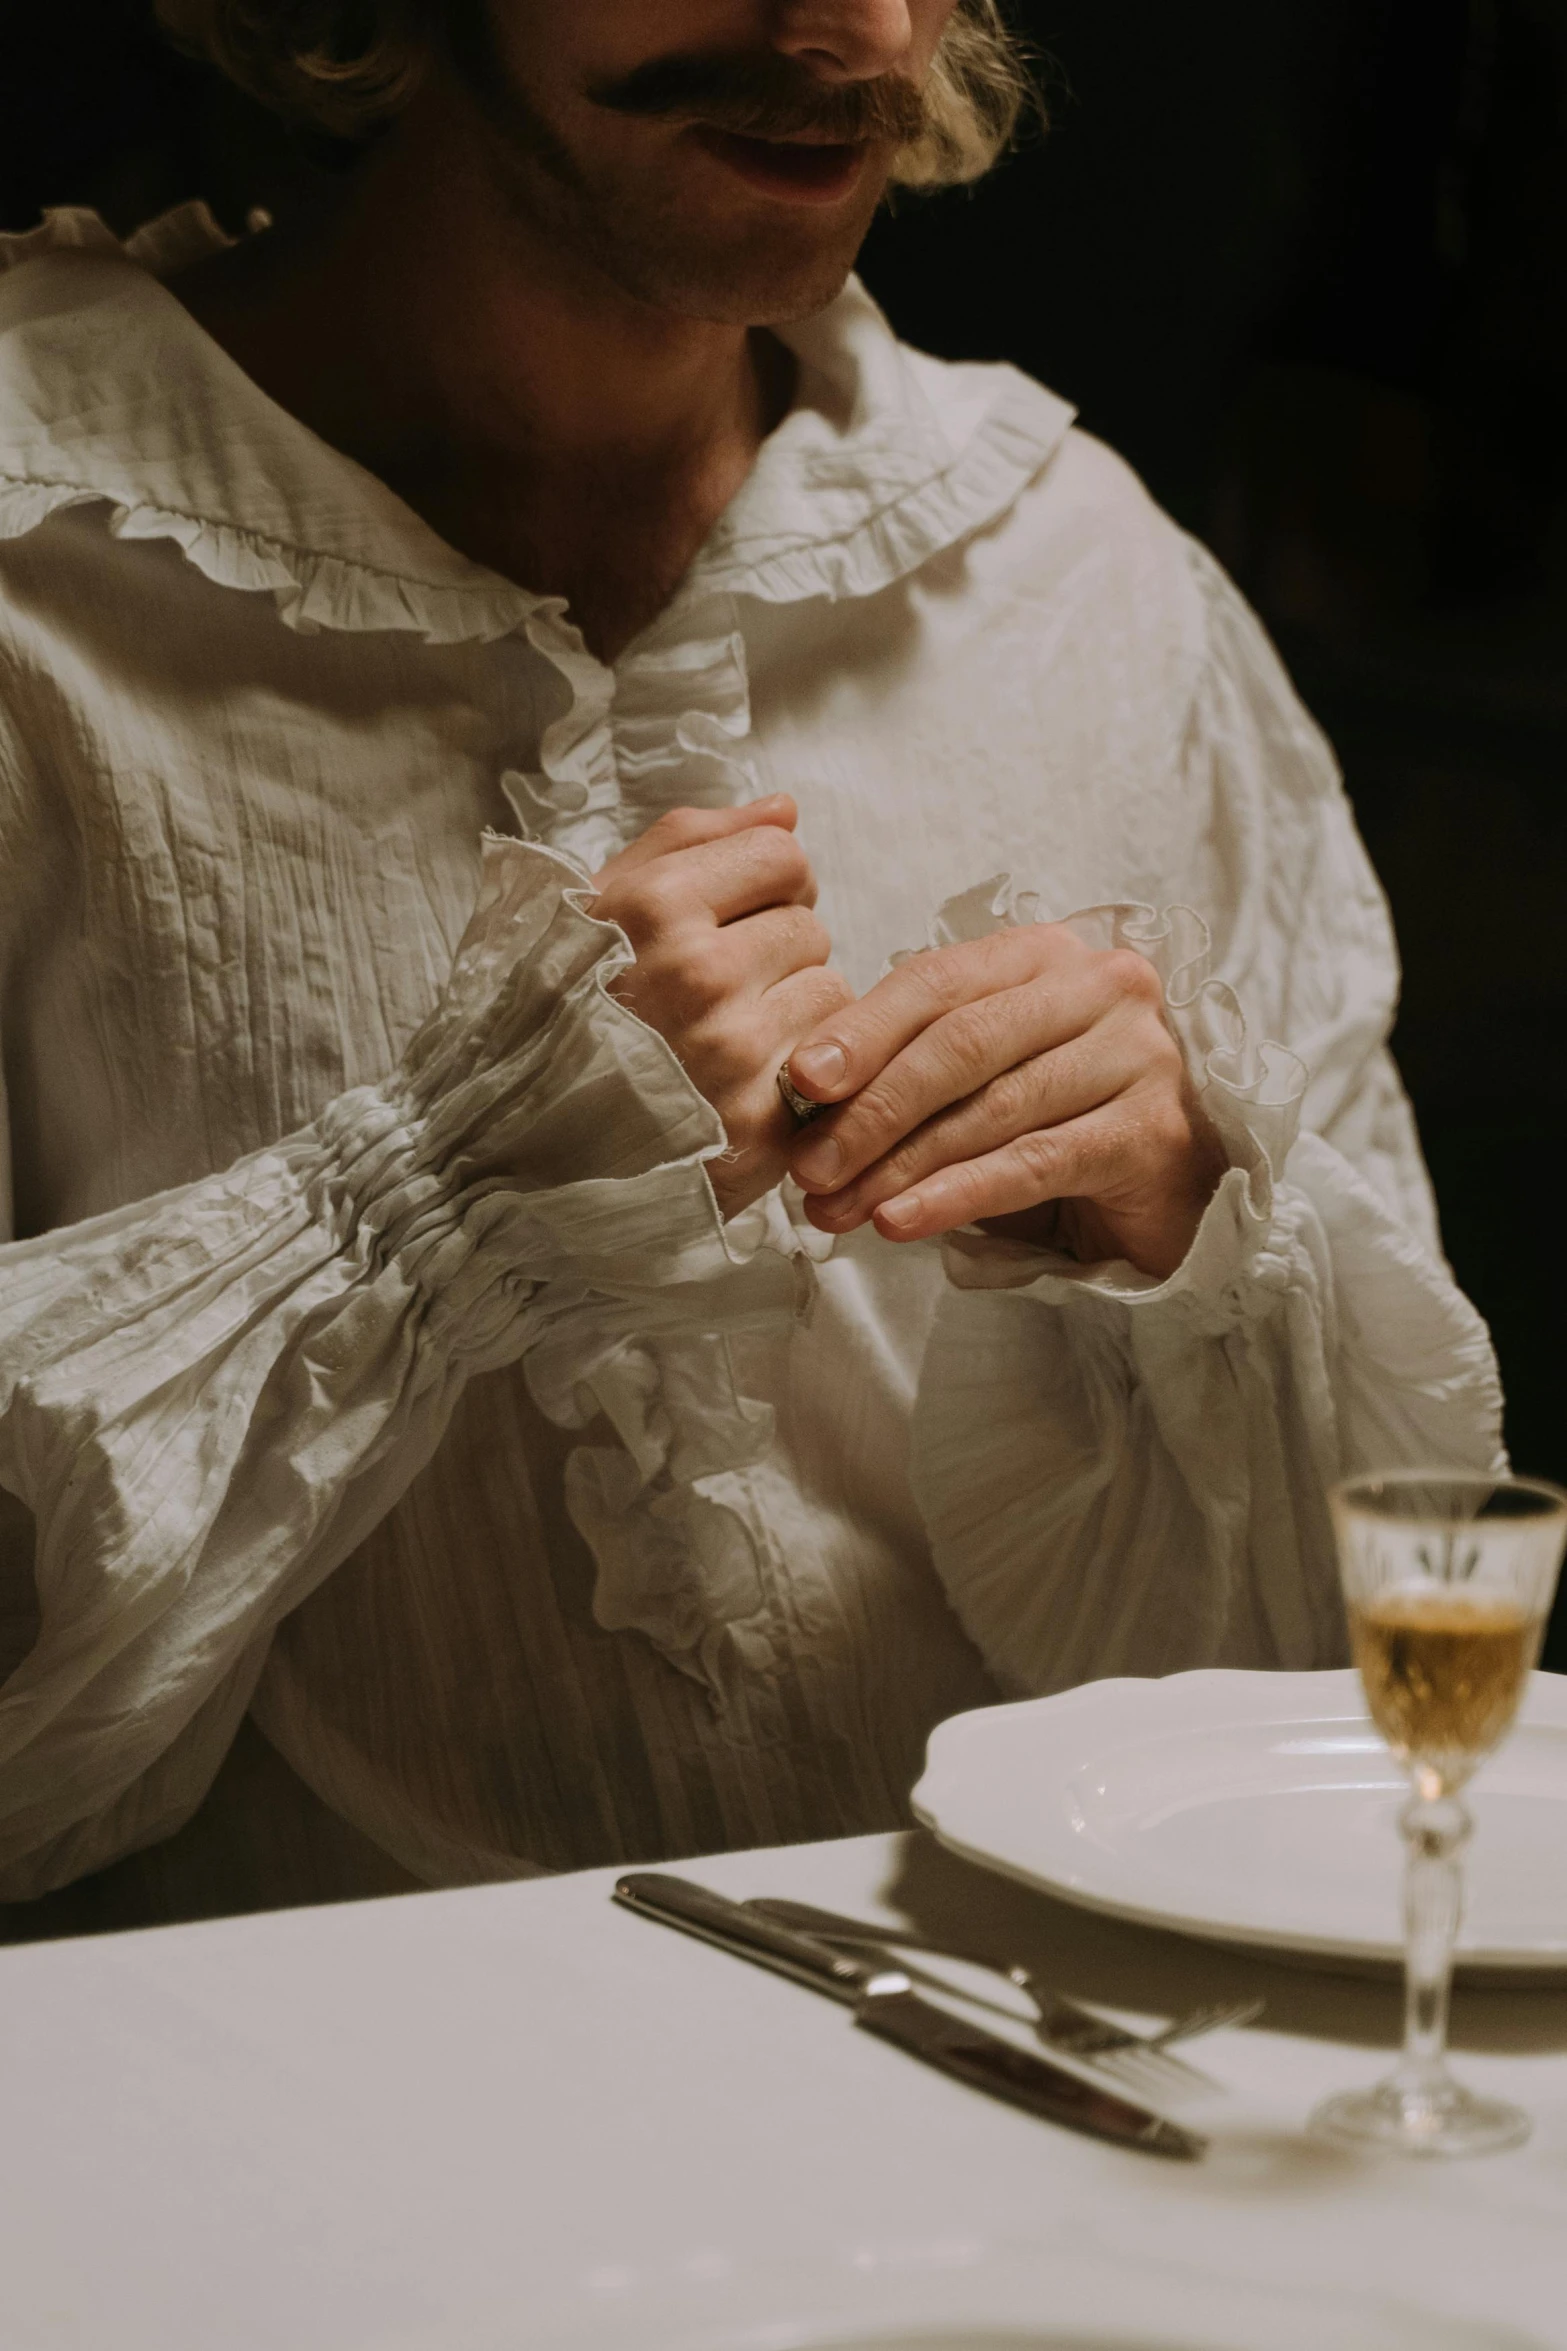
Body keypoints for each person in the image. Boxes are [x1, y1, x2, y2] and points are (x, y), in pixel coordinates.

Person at [0, 0, 1500, 1929]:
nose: (861, 30)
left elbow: (1378, 1667)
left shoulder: (1075, 569)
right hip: (281, 2162)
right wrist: (416, 1201)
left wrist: (1181, 1225)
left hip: (1010, 2113)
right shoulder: (43, 570)